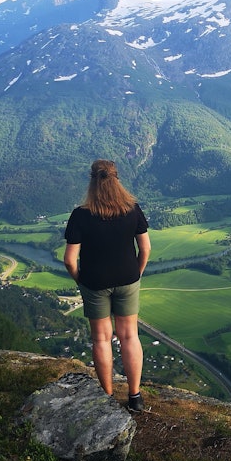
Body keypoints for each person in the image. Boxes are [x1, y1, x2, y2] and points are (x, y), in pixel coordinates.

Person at [64, 159, 151, 412]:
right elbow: (145, 248)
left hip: (94, 282)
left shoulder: (80, 215)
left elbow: (70, 260)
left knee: (102, 339)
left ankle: (108, 399)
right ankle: (135, 397)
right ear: (117, 179)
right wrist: (136, 273)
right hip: (128, 278)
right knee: (129, 336)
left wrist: (81, 280)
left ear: (92, 181)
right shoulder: (133, 209)